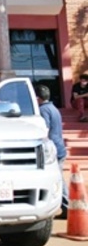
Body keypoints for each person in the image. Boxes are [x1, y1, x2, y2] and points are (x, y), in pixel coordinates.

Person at [34, 84, 69, 219]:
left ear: (37, 98)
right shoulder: (53, 108)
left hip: (54, 150)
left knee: (57, 179)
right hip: (59, 147)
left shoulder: (43, 111)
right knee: (58, 178)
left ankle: (67, 206)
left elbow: (44, 130)